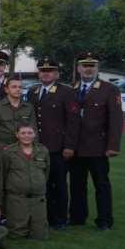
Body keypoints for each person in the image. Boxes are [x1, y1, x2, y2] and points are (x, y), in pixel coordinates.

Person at [69, 52, 122, 230]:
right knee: (77, 185)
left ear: (97, 68)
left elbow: (116, 120)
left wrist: (113, 146)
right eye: (85, 65)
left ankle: (105, 220)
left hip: (98, 147)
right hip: (76, 147)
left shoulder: (109, 89)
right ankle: (77, 217)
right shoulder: (72, 89)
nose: (88, 69)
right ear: (78, 68)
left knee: (101, 185)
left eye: (92, 66)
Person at [27, 56, 79, 230]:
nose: (46, 74)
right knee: (43, 184)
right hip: (39, 147)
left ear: (57, 74)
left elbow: (73, 121)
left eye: (49, 71)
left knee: (60, 184)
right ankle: (46, 216)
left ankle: (60, 218)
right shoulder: (33, 92)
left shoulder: (67, 92)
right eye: (42, 70)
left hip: (59, 148)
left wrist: (69, 146)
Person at [0, 123, 49, 240]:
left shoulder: (43, 150)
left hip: (38, 199)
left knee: (40, 235)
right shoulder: (8, 152)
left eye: (29, 133)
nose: (26, 136)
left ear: (34, 134)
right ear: (17, 135)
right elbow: (3, 174)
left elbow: (46, 172)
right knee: (16, 235)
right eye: (23, 133)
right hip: (17, 198)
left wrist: (38, 185)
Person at [0, 76, 34, 147]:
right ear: (6, 89)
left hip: (23, 148)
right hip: (3, 148)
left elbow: (33, 129)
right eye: (14, 87)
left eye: (20, 87)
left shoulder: (28, 107)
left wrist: (34, 148)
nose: (18, 89)